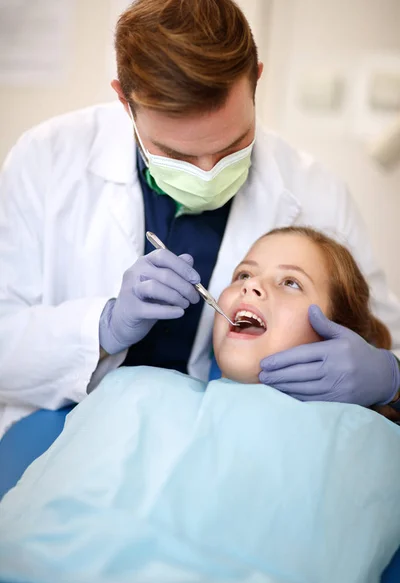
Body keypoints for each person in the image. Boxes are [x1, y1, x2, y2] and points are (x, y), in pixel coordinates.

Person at [1, 0, 400, 441]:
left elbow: (382, 335)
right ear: (124, 100)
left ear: (256, 81)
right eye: (178, 156)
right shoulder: (46, 160)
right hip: (61, 440)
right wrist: (102, 327)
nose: (210, 170)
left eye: (233, 145)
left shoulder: (318, 195)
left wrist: (391, 376)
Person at [0, 227, 399, 583]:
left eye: (290, 282)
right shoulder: (135, 388)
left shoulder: (373, 443)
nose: (251, 285)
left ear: (340, 333)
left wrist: (394, 380)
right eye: (243, 273)